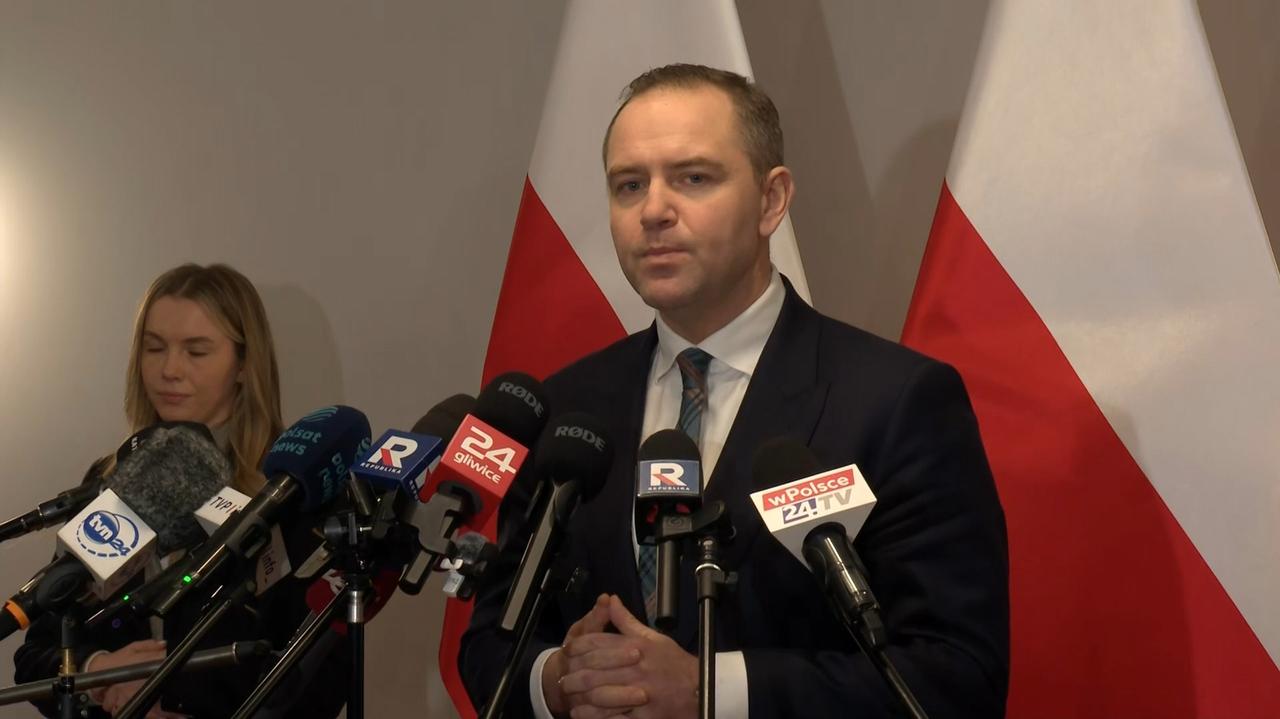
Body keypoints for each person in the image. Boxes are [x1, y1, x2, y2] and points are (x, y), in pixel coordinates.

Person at [460, 64, 1010, 718]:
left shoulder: (896, 402)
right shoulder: (567, 409)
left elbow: (957, 676)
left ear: (771, 201)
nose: (654, 211)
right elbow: (491, 640)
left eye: (693, 178)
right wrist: (558, 679)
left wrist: (711, 693)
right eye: (629, 185)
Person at [13, 263, 348, 718]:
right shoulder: (111, 480)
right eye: (155, 348)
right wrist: (98, 672)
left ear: (244, 364)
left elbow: (317, 680)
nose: (169, 370)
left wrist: (169, 700)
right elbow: (37, 654)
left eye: (196, 351)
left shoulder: (292, 490)